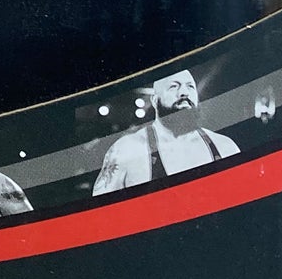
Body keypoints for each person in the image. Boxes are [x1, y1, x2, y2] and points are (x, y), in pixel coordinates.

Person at [92, 71, 238, 194]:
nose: (184, 93)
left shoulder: (224, 146)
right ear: (155, 100)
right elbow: (101, 212)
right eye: (174, 86)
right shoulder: (127, 150)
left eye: (190, 86)